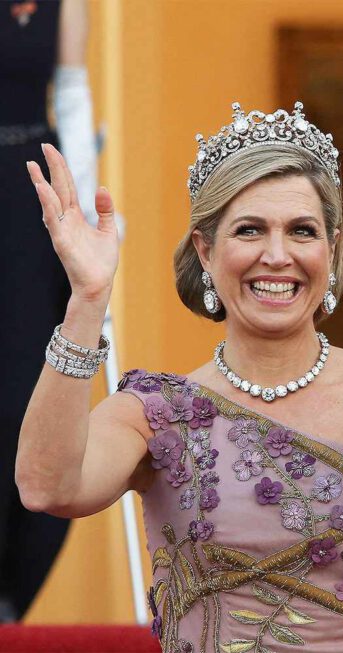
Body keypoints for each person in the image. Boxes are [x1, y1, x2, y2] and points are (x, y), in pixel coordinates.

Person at [17, 101, 343, 652]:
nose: (277, 255)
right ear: (206, 250)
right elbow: (45, 486)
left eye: (301, 231)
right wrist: (86, 299)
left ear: (332, 248)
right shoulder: (157, 413)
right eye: (249, 230)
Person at [0, 0, 102, 621]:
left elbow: (70, 93)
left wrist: (85, 217)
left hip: (28, 201)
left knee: (25, 391)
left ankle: (12, 591)